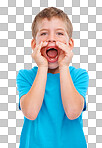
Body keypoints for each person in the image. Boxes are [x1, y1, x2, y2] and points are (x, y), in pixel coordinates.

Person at [16, 7, 89, 148]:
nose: (51, 39)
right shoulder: (25, 76)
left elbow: (73, 112)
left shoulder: (78, 75)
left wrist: (64, 66)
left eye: (59, 33)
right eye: (44, 33)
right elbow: (30, 112)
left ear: (70, 44)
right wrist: (42, 67)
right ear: (34, 44)